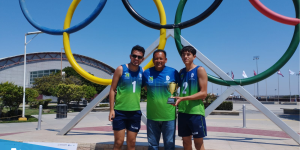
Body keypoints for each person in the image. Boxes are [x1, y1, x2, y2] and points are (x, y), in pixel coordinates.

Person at [108, 45, 145, 150]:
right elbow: (112, 90)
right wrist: (111, 110)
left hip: (135, 113)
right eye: (134, 56)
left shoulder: (143, 72)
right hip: (120, 112)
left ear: (142, 59)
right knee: (118, 143)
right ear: (130, 56)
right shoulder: (121, 69)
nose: (136, 59)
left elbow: (149, 88)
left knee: (132, 144)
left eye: (139, 57)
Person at [142, 50, 179, 150]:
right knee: (153, 146)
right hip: (152, 116)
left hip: (169, 116)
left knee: (169, 145)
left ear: (165, 60)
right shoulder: (147, 73)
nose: (158, 60)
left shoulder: (173, 72)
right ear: (153, 60)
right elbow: (146, 88)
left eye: (161, 58)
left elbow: (176, 87)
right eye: (156, 59)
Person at [173, 46, 208, 150]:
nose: (185, 56)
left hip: (196, 112)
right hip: (183, 112)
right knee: (186, 143)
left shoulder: (199, 70)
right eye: (183, 55)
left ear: (194, 56)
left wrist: (183, 98)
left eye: (188, 54)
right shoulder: (181, 72)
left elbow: (203, 93)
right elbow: (174, 88)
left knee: (198, 144)